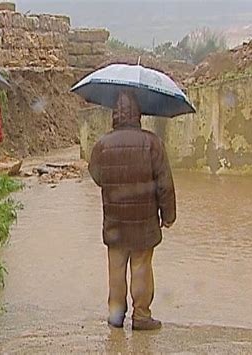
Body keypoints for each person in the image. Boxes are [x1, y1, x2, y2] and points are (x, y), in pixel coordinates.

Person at [88, 91, 176, 331]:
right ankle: (142, 316)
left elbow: (96, 175)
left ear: (114, 116)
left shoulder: (102, 145)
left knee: (115, 268)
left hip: (114, 220)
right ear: (138, 115)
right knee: (141, 266)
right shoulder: (152, 143)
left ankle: (116, 316)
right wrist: (168, 216)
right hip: (144, 221)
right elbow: (164, 184)